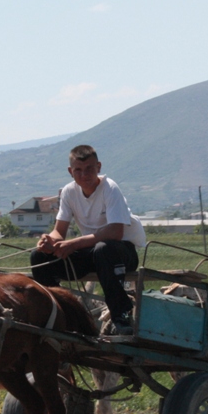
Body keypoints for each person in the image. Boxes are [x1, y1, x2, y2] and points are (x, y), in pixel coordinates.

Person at [31, 144, 146, 335]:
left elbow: (115, 232)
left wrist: (74, 243)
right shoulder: (69, 192)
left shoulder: (110, 188)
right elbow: (59, 231)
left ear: (98, 167)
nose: (84, 175)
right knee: (39, 257)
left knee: (103, 249)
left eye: (89, 169)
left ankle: (122, 317)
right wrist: (49, 241)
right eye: (78, 170)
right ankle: (58, 314)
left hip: (120, 252)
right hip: (92, 252)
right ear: (70, 171)